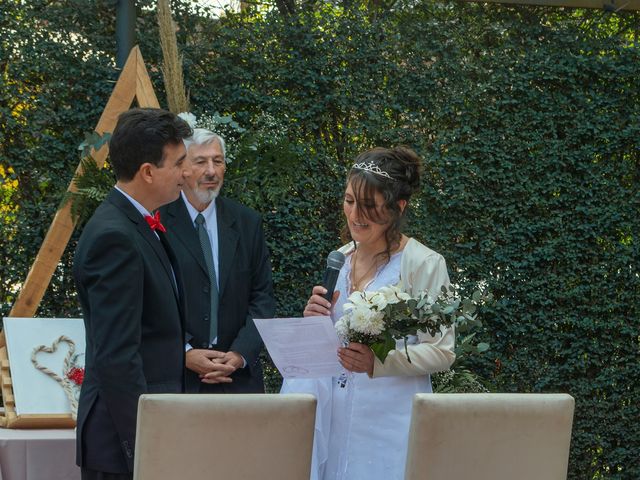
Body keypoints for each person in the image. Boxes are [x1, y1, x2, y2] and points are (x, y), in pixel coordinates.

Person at [281, 146, 456, 480]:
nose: (355, 215)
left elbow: (442, 350)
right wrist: (314, 320)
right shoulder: (340, 258)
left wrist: (379, 362)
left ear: (397, 207)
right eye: (349, 201)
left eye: (369, 206)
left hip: (390, 421)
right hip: (333, 416)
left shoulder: (424, 264)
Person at [73, 108, 192, 480]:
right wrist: (144, 444)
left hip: (150, 425)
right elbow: (117, 356)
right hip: (123, 441)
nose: (186, 173)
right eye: (179, 163)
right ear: (148, 171)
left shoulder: (137, 223)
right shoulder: (116, 237)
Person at [159, 128, 275, 393]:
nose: (211, 171)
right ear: (182, 169)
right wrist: (183, 352)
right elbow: (150, 303)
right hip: (177, 380)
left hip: (237, 380)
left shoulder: (247, 223)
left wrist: (238, 354)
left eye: (218, 161)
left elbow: (262, 298)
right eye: (200, 162)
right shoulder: (158, 222)